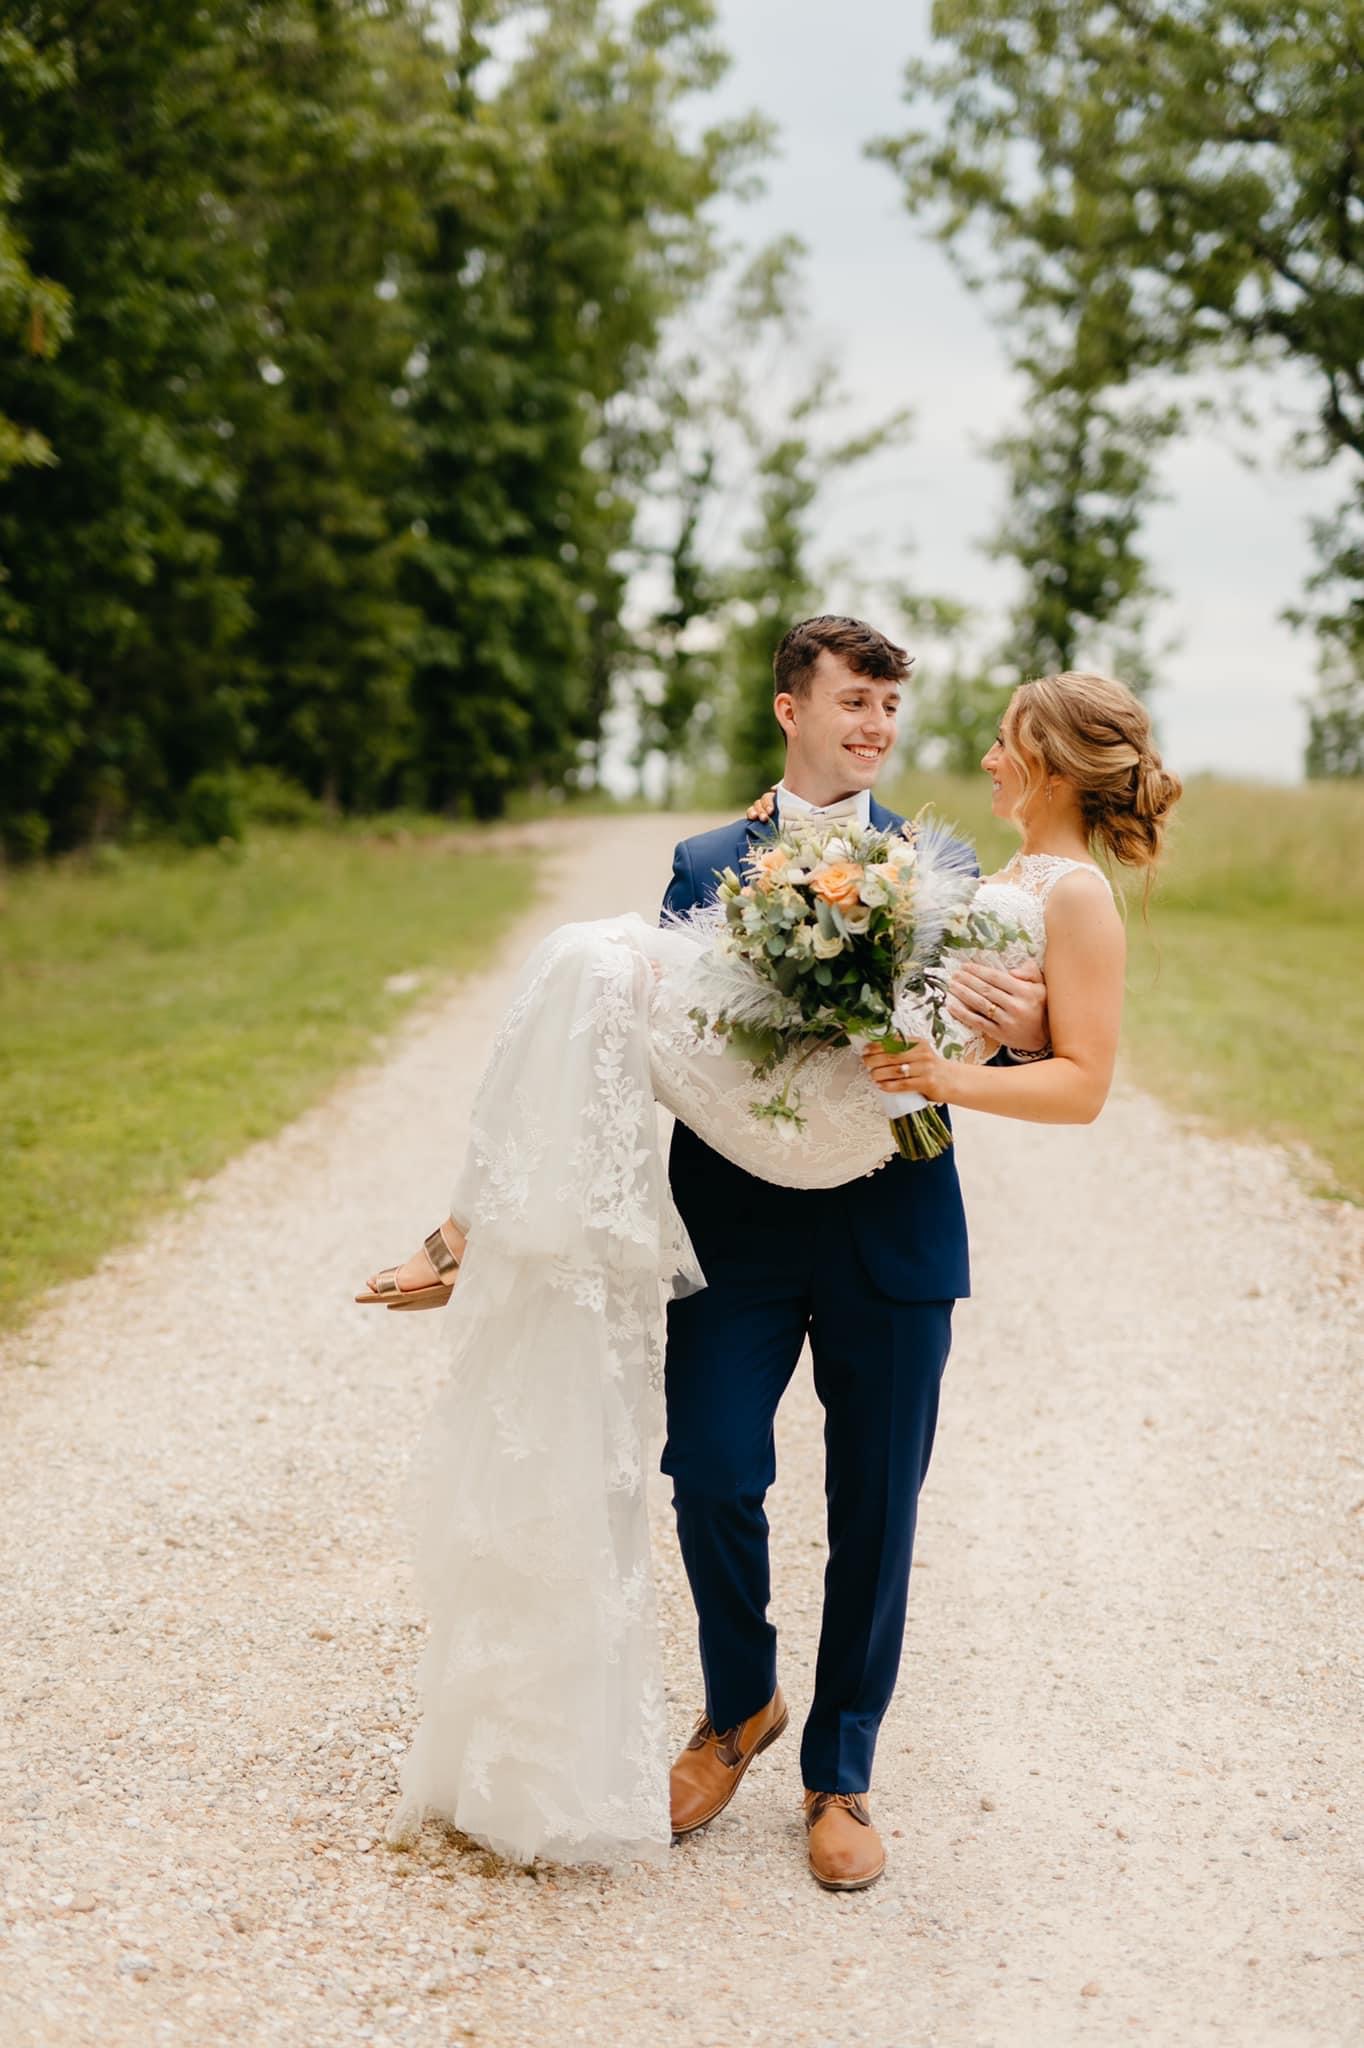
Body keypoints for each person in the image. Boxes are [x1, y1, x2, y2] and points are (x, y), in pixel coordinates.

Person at [359, 623, 1179, 1883]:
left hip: (890, 1229)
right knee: (712, 1467)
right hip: (731, 1230)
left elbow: (1007, 1034)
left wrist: (1011, 1041)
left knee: (874, 1509)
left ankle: (840, 1774)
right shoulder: (703, 859)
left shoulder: (937, 867)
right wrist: (493, 1221)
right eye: (855, 700)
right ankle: (735, 1705)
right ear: (790, 707)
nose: (878, 725)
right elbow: (633, 1039)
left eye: (889, 704)